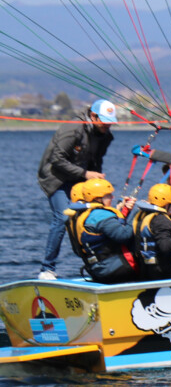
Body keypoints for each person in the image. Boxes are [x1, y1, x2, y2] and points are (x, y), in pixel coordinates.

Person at [37, 99, 118, 280]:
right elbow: (57, 160)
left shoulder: (105, 135)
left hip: (79, 178)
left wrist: (97, 179)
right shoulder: (73, 129)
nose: (107, 126)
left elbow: (96, 160)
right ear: (93, 116)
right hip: (55, 178)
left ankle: (101, 264)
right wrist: (86, 173)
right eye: (104, 121)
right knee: (63, 216)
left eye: (110, 122)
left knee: (97, 213)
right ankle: (47, 269)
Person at [63, 178, 139, 284]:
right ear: (98, 198)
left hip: (96, 270)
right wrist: (138, 215)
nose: (112, 197)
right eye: (108, 195)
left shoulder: (77, 217)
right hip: (118, 269)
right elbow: (124, 235)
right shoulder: (100, 215)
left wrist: (123, 211)